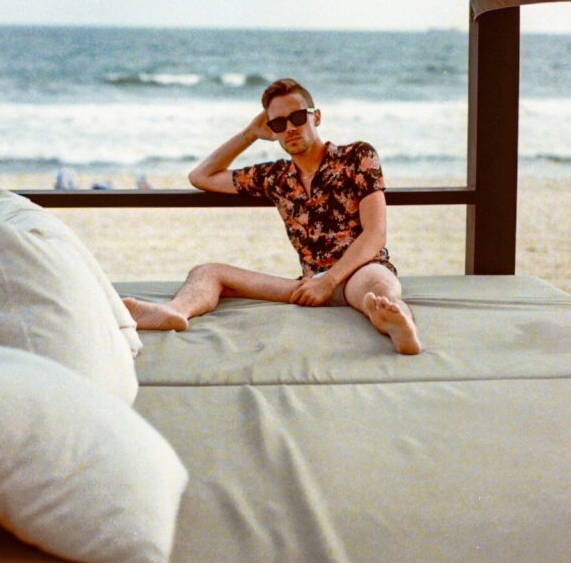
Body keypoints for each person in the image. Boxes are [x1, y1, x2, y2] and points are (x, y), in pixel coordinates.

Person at [123, 78, 421, 355]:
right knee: (207, 271)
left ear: (315, 117)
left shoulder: (357, 156)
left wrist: (329, 282)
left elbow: (375, 235)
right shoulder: (276, 176)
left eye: (297, 117)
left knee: (377, 288)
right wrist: (250, 133)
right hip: (305, 285)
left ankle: (398, 324)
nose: (290, 128)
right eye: (279, 123)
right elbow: (201, 176)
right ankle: (175, 311)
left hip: (357, 270)